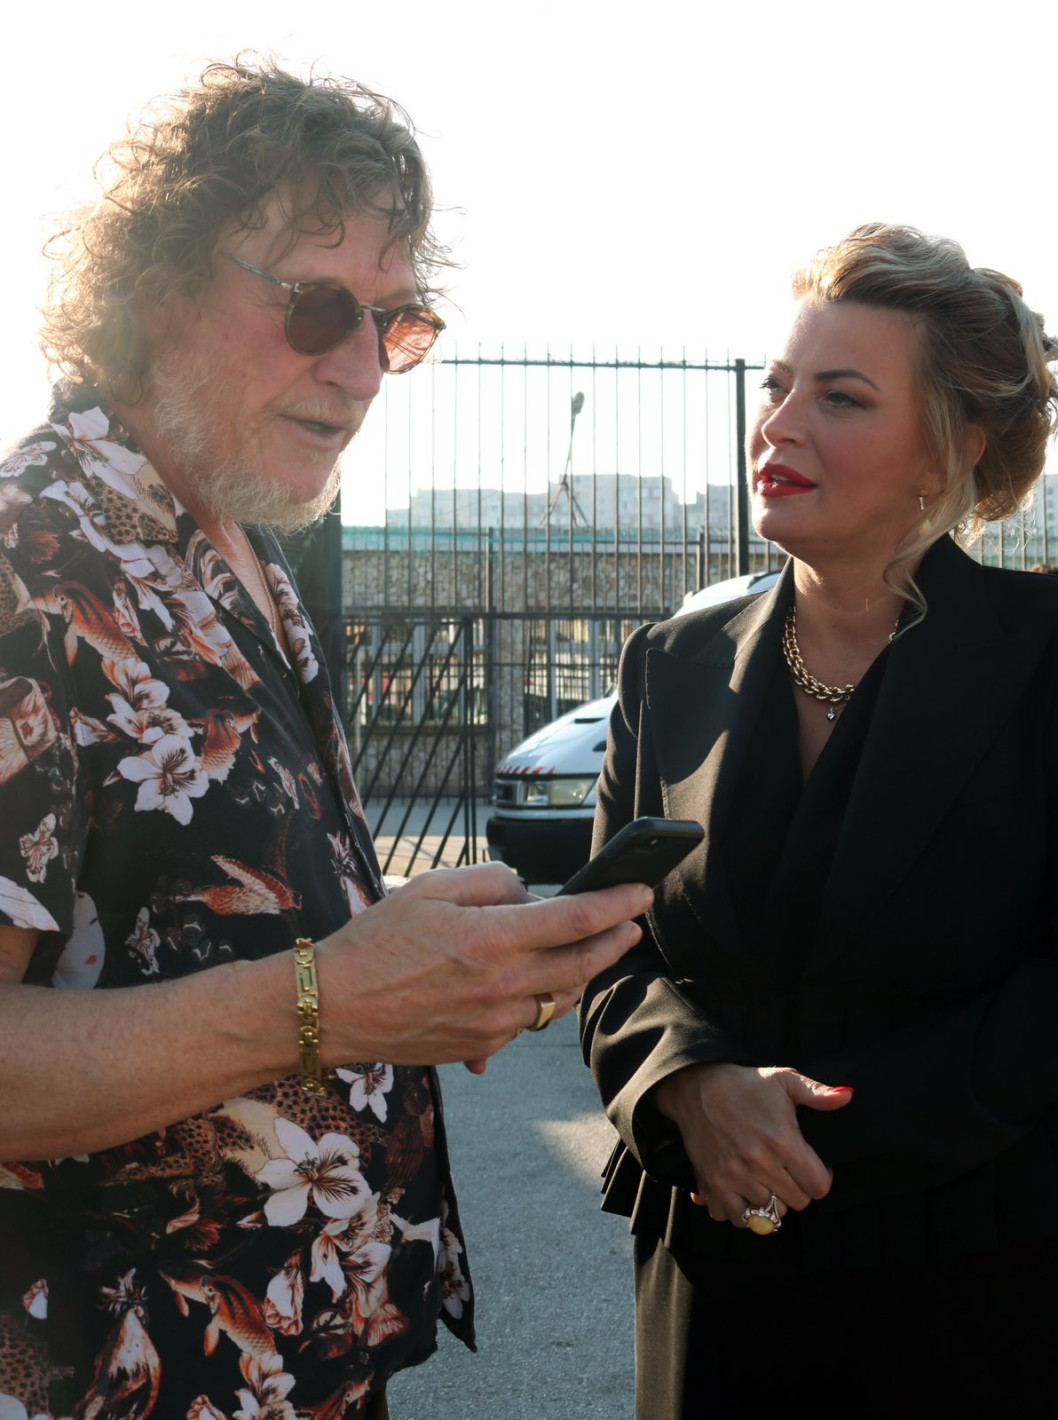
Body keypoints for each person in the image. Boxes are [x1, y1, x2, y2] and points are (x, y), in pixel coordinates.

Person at [0, 59, 651, 1419]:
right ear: (158, 284)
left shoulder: (238, 545)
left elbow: (222, 930)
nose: (361, 371)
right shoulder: (31, 565)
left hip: (303, 1370)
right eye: (315, 306)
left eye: (393, 322)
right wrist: (330, 1001)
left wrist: (425, 965)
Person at [580, 224, 1058, 1418]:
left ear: (951, 446)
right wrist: (687, 1084)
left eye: (839, 397)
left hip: (974, 1262)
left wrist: (797, 1132)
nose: (778, 426)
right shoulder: (669, 664)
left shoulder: (1041, 659)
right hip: (709, 1268)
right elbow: (601, 945)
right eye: (775, 385)